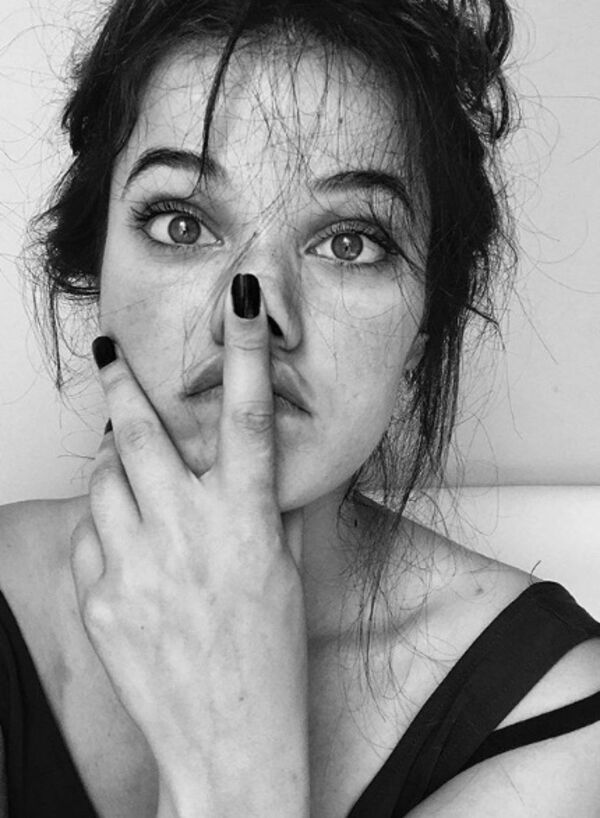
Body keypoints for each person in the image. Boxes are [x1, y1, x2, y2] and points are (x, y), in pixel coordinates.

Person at [1, 0, 599, 815]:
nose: (258, 311)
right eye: (182, 224)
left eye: (350, 242)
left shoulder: (555, 712)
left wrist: (233, 754)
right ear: (95, 271)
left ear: (421, 335)